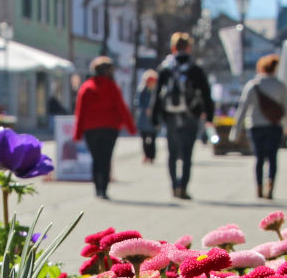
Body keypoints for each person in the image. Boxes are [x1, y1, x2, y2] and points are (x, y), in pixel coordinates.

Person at [151, 31, 214, 200]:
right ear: (189, 48)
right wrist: (209, 117)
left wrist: (155, 118)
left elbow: (157, 94)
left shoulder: (165, 68)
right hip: (190, 116)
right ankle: (183, 187)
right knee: (187, 154)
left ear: (173, 48)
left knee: (172, 153)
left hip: (170, 116)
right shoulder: (195, 69)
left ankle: (173, 186)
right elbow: (206, 94)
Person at [73, 56, 136, 199]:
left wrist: (77, 133)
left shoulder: (87, 87)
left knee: (96, 158)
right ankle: (103, 189)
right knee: (106, 158)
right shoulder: (112, 87)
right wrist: (131, 127)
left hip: (91, 129)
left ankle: (97, 187)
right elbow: (122, 108)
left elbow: (80, 112)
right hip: (110, 128)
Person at [230, 53, 287, 200]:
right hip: (274, 126)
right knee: (273, 157)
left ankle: (258, 187)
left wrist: (236, 131)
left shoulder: (253, 86)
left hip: (256, 126)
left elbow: (243, 109)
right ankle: (270, 184)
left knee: (259, 158)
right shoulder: (280, 86)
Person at [135, 69, 159, 163]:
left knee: (153, 139)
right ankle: (146, 155)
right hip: (143, 118)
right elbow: (138, 102)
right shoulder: (142, 90)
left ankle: (152, 156)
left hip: (153, 119)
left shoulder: (156, 90)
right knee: (144, 139)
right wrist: (145, 109)